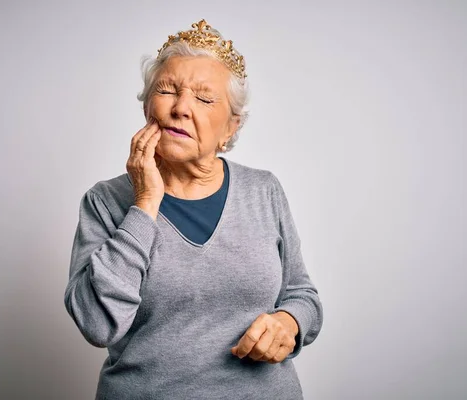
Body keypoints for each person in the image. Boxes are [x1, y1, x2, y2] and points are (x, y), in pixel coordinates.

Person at [64, 19, 323, 400]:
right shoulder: (104, 202)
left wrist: (290, 322)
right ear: (148, 107)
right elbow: (98, 324)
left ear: (231, 127)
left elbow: (303, 295)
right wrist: (145, 203)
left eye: (204, 98)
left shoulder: (263, 190)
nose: (181, 108)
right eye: (167, 90)